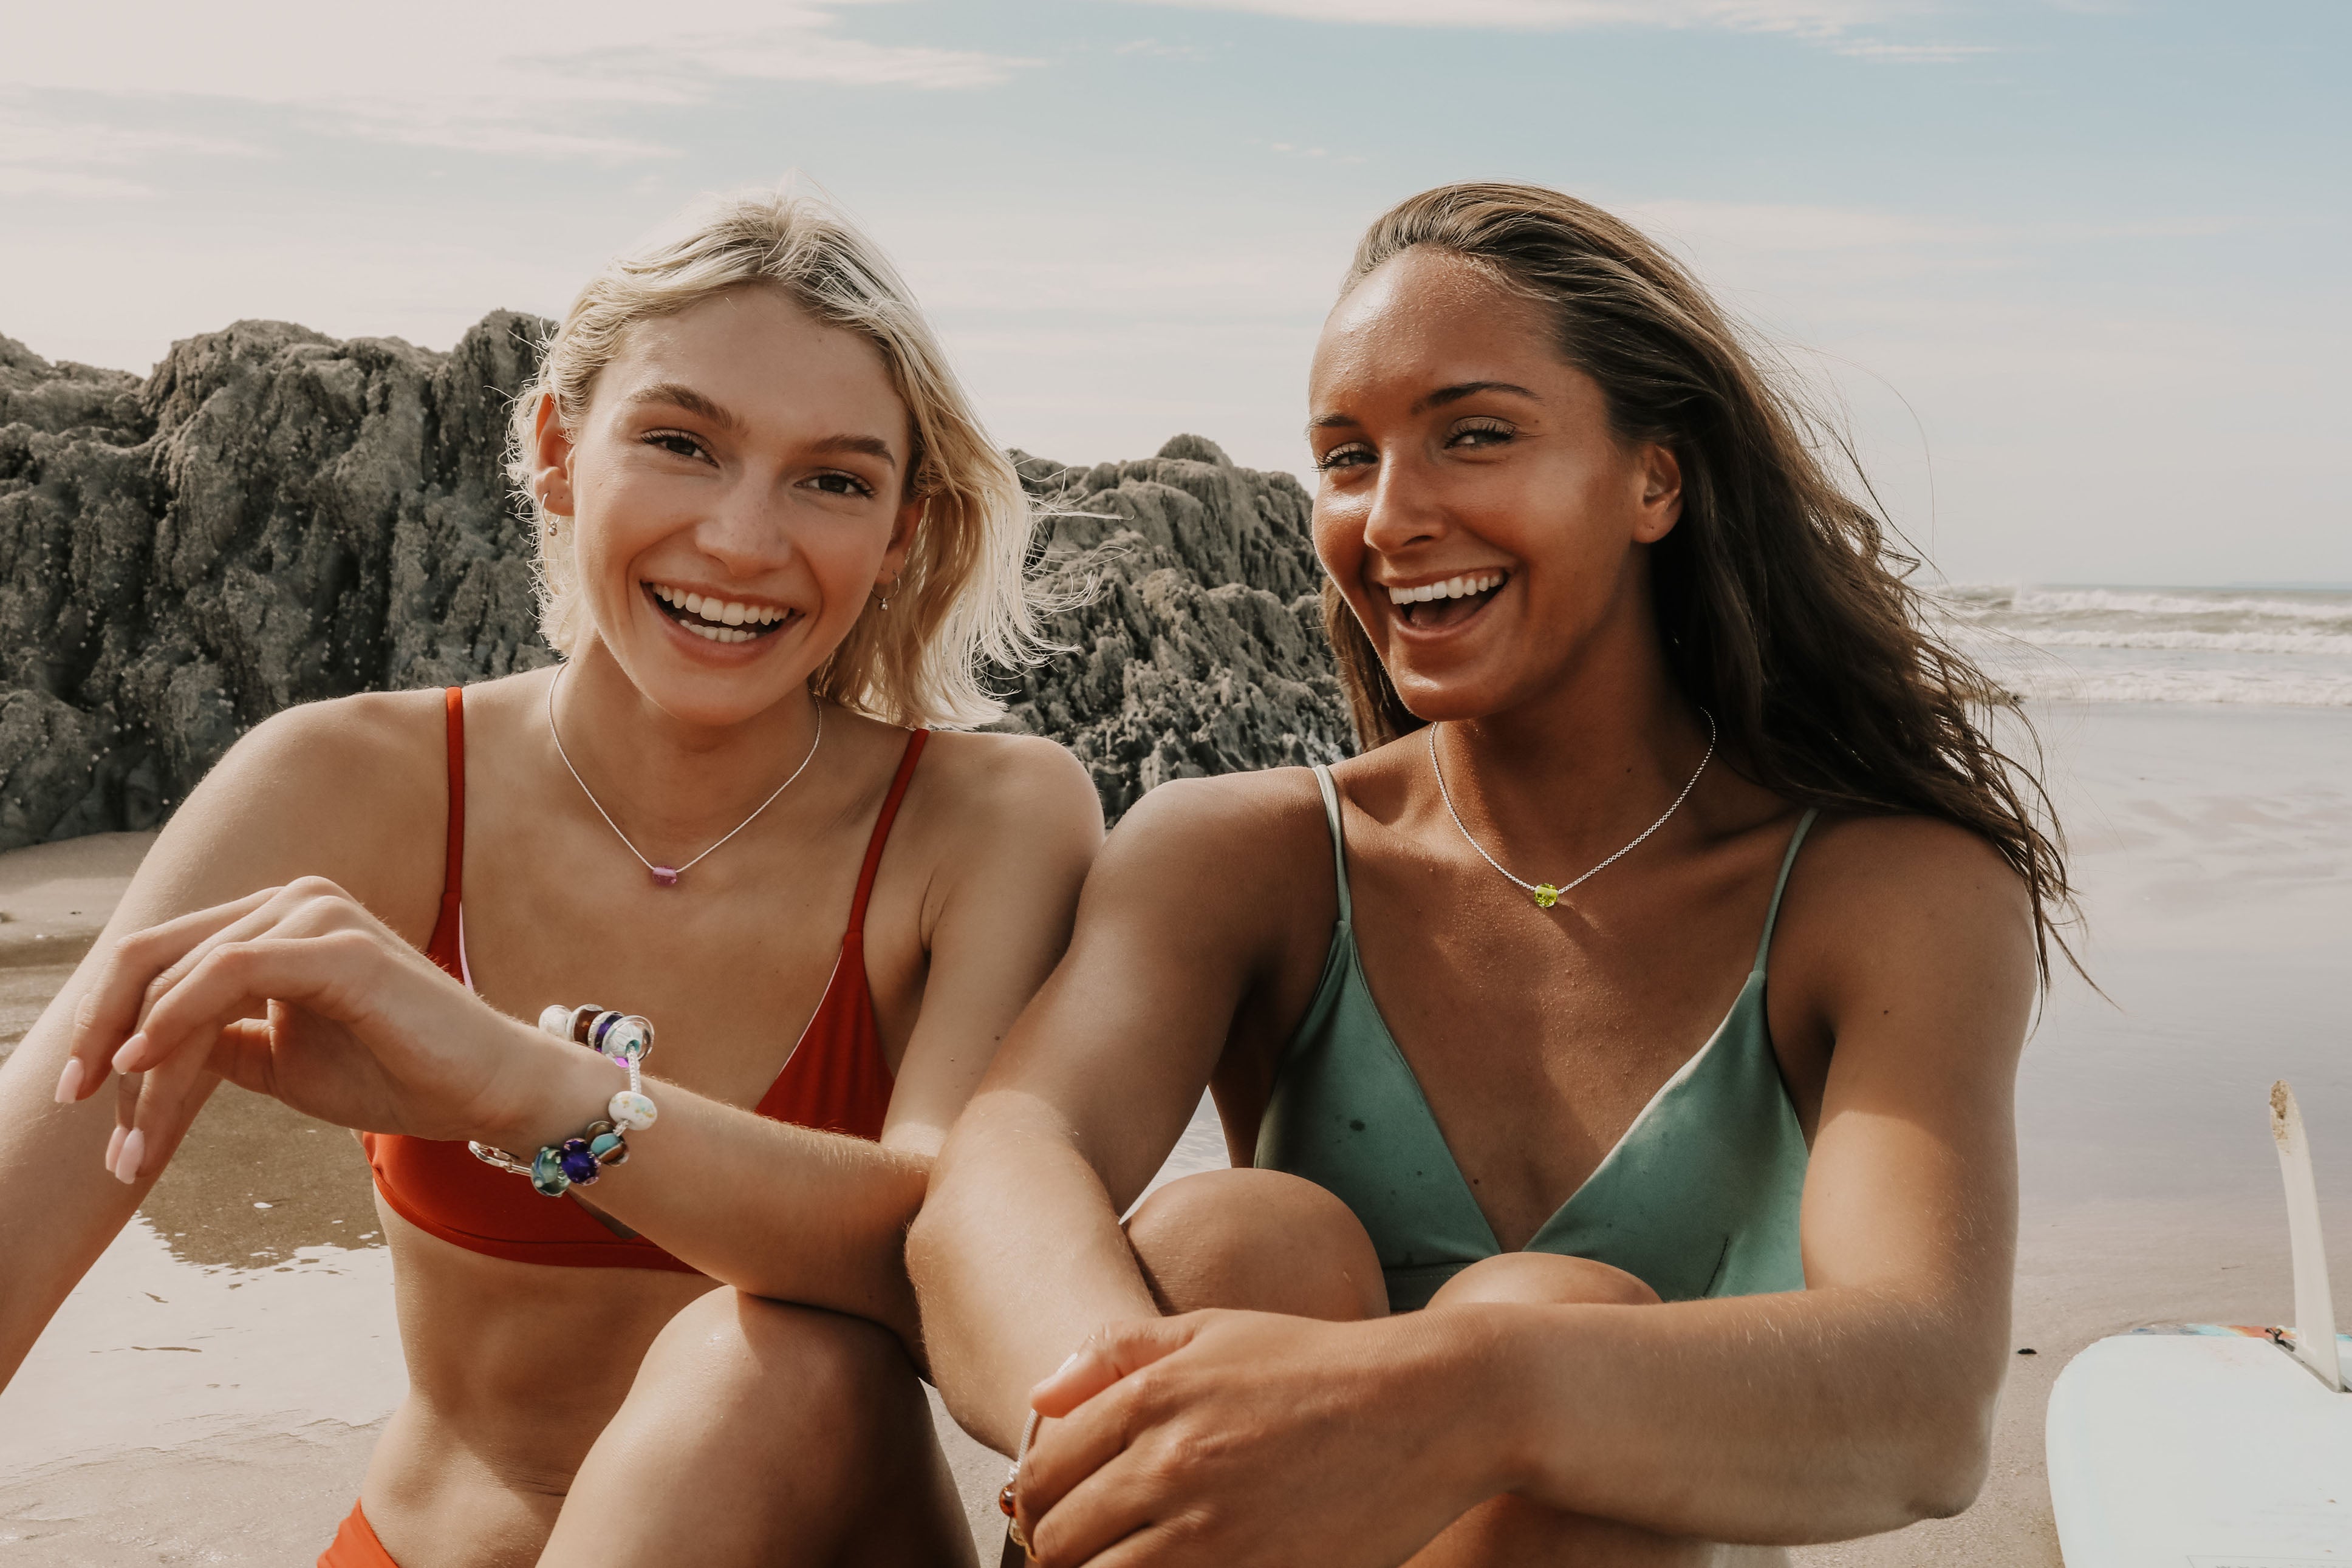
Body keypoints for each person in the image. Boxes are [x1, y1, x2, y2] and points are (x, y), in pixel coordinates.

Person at [909, 181, 2070, 1566]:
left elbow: (1927, 1398)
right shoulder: (1245, 853)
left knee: (1552, 1317)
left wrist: (1470, 1401)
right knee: (1237, 1240)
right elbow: (997, 1177)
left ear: (1655, 478)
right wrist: (1160, 1435)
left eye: (1474, 435)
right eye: (1345, 457)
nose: (1389, 517)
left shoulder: (1887, 894)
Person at [2, 189, 1102, 1567]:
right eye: (682, 443)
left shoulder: (990, 816)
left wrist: (516, 1083)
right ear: (557, 448)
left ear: (899, 531)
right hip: (418, 1544)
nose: (745, 541)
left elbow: (953, 1253)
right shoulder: (349, 784)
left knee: (770, 1366)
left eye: (832, 478)